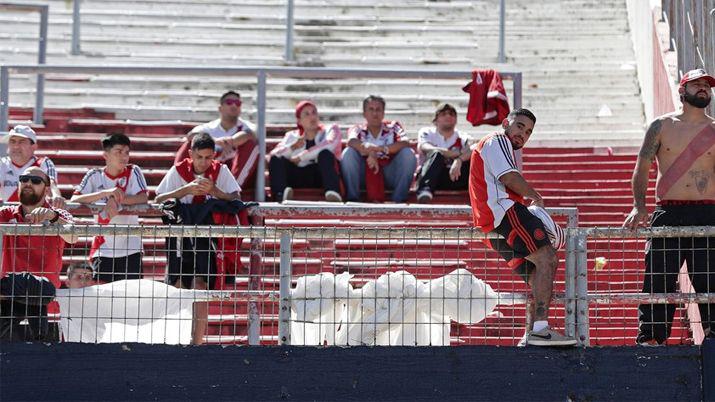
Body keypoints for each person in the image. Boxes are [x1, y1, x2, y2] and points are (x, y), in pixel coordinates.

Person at [469, 108, 576, 346]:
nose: (523, 134)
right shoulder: (497, 140)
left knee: (535, 274)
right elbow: (509, 178)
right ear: (506, 123)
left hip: (491, 227)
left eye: (528, 132)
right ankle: (540, 330)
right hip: (504, 213)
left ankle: (531, 334)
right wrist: (536, 197)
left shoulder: (504, 148)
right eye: (519, 126)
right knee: (547, 258)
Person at [623, 68, 715, 346]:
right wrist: (639, 207)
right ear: (682, 90)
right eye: (696, 84)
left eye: (706, 86)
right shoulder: (661, 126)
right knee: (659, 278)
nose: (703, 89)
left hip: (708, 211)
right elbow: (642, 168)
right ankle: (652, 337)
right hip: (669, 211)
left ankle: (712, 334)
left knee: (711, 278)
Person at [155, 132, 242, 291]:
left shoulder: (220, 170)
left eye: (208, 157)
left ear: (214, 155)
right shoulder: (178, 170)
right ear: (190, 154)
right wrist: (185, 190)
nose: (203, 162)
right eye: (199, 157)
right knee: (178, 283)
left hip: (208, 234)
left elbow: (236, 198)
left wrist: (215, 191)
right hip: (181, 234)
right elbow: (158, 199)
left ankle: (199, 315)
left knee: (202, 284)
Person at [0, 167, 76, 341]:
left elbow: (73, 237)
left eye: (35, 181)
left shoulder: (58, 214)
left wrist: (52, 216)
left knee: (47, 357)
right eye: (24, 178)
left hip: (45, 295)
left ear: (47, 189)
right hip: (10, 292)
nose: (28, 183)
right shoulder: (7, 213)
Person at [71, 133, 149, 283]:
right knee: (103, 298)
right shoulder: (94, 175)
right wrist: (105, 193)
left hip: (131, 246)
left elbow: (143, 197)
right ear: (105, 155)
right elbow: (75, 199)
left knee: (132, 297)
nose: (124, 157)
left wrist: (116, 200)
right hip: (103, 247)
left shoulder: (134, 171)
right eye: (118, 152)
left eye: (127, 152)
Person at [341, 95, 417, 203]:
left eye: (378, 110)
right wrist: (369, 151)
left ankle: (399, 199)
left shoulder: (394, 126)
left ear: (383, 113)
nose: (375, 113)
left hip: (389, 173)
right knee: (348, 153)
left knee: (408, 153)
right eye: (371, 109)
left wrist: (380, 149)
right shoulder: (357, 128)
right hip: (364, 174)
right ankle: (353, 198)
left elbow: (405, 142)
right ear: (364, 113)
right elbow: (351, 141)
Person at [175, 91, 258, 189]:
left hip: (234, 166)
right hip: (209, 163)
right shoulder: (209, 127)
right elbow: (191, 136)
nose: (234, 105)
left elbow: (252, 134)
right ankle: (181, 184)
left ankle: (232, 189)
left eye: (238, 103)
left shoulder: (248, 126)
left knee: (252, 144)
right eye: (229, 102)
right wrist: (215, 141)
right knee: (190, 144)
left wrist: (230, 141)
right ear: (220, 108)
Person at [268, 100, 343, 202]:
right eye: (307, 114)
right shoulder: (291, 136)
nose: (312, 117)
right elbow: (274, 154)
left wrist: (301, 157)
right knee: (276, 159)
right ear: (299, 121)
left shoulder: (331, 129)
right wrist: (292, 148)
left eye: (314, 112)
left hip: (320, 175)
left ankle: (333, 194)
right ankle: (281, 195)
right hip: (298, 176)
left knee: (325, 154)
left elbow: (330, 144)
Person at [416, 103, 472, 203]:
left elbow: (474, 148)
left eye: (451, 114)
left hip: (454, 176)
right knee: (436, 153)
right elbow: (425, 147)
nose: (448, 116)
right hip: (431, 177)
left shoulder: (463, 136)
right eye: (443, 114)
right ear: (436, 119)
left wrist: (459, 160)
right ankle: (424, 190)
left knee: (474, 157)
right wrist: (451, 153)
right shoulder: (427, 132)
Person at [0, 125, 65, 208]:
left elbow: (51, 185)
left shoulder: (43, 163)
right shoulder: (2, 163)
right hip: (7, 217)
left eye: (21, 142)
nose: (16, 146)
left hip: (36, 216)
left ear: (34, 147)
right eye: (12, 141)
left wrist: (56, 196)